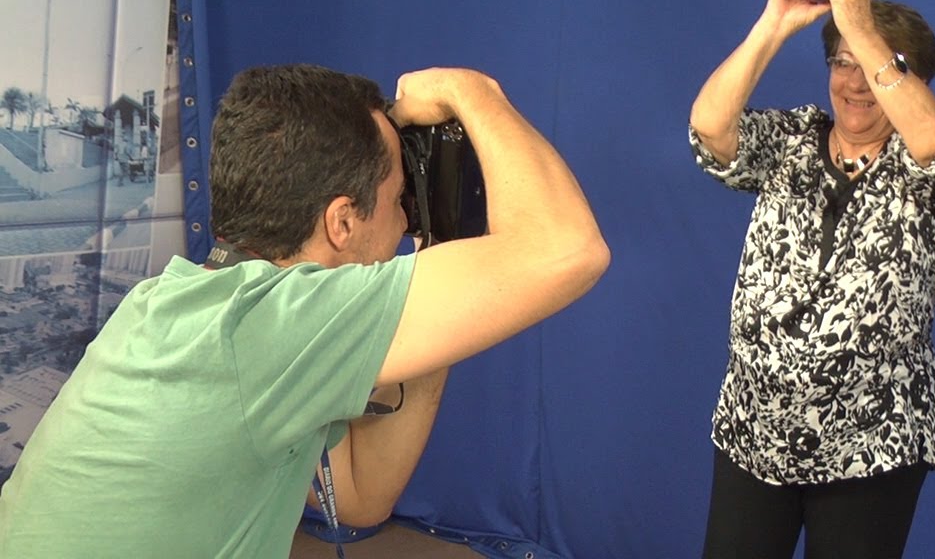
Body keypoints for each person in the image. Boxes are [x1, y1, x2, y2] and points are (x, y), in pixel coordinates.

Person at [0, 64, 610, 557]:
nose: (404, 225)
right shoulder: (271, 327)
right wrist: (471, 91)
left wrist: (439, 259)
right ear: (342, 221)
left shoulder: (184, 302)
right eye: (400, 202)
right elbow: (569, 249)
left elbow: (360, 496)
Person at [690, 0, 935, 558]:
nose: (857, 81)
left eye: (877, 65)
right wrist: (774, 22)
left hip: (873, 439)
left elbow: (932, 140)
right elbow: (709, 129)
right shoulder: (792, 136)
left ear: (913, 80)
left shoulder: (927, 155)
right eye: (842, 62)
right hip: (755, 428)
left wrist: (863, 29)